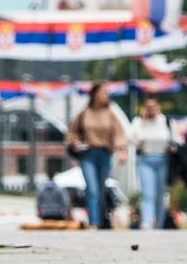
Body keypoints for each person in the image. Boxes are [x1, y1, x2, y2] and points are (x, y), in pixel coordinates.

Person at [65, 81, 127, 228]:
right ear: (94, 94)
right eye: (103, 92)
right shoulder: (84, 113)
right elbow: (72, 132)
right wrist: (76, 142)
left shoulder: (110, 114)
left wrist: (122, 150)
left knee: (101, 189)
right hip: (88, 154)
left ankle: (101, 220)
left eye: (107, 93)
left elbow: (119, 133)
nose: (105, 95)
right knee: (91, 189)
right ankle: (94, 223)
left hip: (105, 154)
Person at [131, 97, 173, 229]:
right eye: (148, 107)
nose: (151, 110)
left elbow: (173, 139)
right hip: (145, 159)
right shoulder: (138, 122)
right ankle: (146, 223)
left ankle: (159, 225)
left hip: (163, 160)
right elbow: (132, 139)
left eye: (153, 106)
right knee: (148, 193)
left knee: (161, 195)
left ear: (158, 107)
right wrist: (143, 122)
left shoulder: (165, 121)